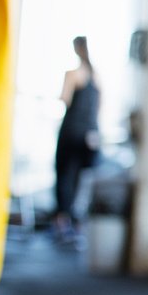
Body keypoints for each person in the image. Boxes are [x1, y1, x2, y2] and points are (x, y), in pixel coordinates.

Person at [51, 35, 100, 244]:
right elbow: (98, 109)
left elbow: (65, 98)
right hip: (90, 134)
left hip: (71, 131)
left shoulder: (73, 74)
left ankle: (62, 223)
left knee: (64, 175)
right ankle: (77, 224)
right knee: (81, 179)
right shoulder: (97, 78)